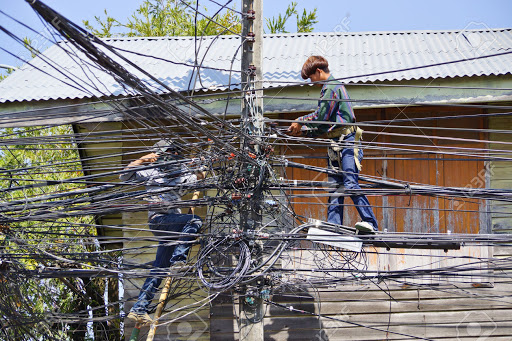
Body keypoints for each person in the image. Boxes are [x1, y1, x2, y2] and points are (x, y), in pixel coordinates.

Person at [288, 56, 378, 233]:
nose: (312, 82)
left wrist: (300, 121)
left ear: (319, 72)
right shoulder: (331, 87)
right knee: (335, 186)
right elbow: (324, 125)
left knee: (350, 183)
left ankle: (371, 223)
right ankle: (333, 226)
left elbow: (321, 117)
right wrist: (303, 130)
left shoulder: (331, 87)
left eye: (312, 78)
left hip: (347, 141)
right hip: (336, 142)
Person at [120, 140, 204, 325]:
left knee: (159, 269)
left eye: (175, 151)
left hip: (172, 228)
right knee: (194, 221)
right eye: (169, 151)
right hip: (159, 220)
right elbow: (124, 177)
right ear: (158, 155)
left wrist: (200, 166)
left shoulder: (181, 173)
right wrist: (142, 160)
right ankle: (179, 260)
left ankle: (139, 308)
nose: (173, 154)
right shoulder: (152, 172)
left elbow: (199, 176)